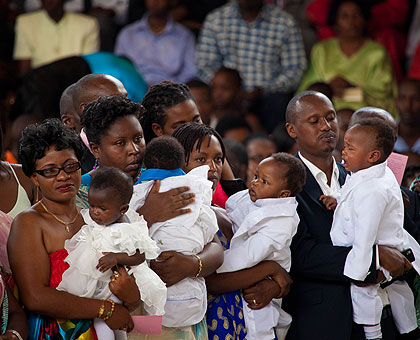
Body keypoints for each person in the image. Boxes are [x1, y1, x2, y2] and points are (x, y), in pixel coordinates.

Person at [283, 91, 411, 340]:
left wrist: (397, 256)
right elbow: (301, 253)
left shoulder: (365, 173)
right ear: (292, 130)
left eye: (331, 118)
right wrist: (375, 257)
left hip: (381, 317)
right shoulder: (284, 182)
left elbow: (395, 232)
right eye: (314, 121)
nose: (326, 126)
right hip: (323, 320)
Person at [7, 119, 140, 339]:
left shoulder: (95, 215)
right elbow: (35, 297)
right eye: (50, 171)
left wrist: (132, 297)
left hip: (107, 328)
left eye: (70, 166)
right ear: (34, 178)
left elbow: (121, 280)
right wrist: (105, 309)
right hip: (56, 333)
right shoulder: (29, 223)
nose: (63, 176)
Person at [172, 122, 293, 340]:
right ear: (179, 163)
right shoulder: (180, 216)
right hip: (213, 325)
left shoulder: (224, 211)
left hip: (245, 321)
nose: (213, 167)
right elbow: (209, 281)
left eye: (218, 159)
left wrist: (272, 284)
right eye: (201, 159)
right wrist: (271, 268)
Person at [320, 118, 420, 339]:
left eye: (350, 148)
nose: (343, 152)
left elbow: (366, 232)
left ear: (372, 156)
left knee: (365, 295)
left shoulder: (374, 189)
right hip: (385, 249)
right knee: (397, 294)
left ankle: (373, 334)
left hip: (372, 254)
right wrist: (337, 199)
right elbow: (352, 193)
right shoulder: (373, 173)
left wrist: (360, 270)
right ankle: (409, 330)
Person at [58, 167, 166, 340]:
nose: (94, 212)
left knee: (113, 320)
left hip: (117, 285)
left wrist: (116, 258)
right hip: (99, 282)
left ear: (122, 209)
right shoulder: (97, 221)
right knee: (105, 320)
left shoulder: (126, 229)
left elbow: (140, 256)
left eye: (102, 208)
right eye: (92, 205)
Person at [130, 136, 218, 332]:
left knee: (149, 325)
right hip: (191, 300)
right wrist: (197, 240)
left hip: (149, 303)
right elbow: (210, 225)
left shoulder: (136, 192)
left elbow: (124, 227)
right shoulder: (194, 188)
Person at [216, 153, 305, 340]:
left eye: (264, 181)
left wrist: (216, 266)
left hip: (261, 280)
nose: (255, 183)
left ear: (283, 195)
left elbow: (248, 255)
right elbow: (235, 210)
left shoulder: (280, 223)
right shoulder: (258, 199)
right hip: (247, 276)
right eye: (256, 176)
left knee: (259, 324)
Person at [196, 0, 307, 130]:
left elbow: (295, 69)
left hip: (267, 97)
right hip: (226, 97)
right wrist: (226, 89)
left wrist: (264, 90)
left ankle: (273, 145)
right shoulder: (216, 20)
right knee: (208, 99)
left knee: (279, 102)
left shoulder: (284, 22)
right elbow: (205, 66)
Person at [297, 0, 397, 116]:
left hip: (363, 114)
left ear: (364, 19)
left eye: (356, 15)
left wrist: (351, 89)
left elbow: (382, 94)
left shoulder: (377, 52)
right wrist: (328, 88)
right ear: (335, 21)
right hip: (325, 113)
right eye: (345, 16)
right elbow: (309, 87)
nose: (351, 21)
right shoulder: (322, 49)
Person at [115, 0, 196, 85]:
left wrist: (169, 89)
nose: (155, 2)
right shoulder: (128, 33)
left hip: (171, 91)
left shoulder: (184, 36)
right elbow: (120, 67)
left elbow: (189, 72)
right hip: (134, 90)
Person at [13, 0, 99, 75]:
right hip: (39, 85)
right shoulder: (25, 22)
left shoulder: (87, 24)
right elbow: (24, 68)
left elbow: (88, 65)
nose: (47, 1)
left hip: (74, 85)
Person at [394, 79, 420, 165]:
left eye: (415, 99)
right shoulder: (382, 137)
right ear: (396, 102)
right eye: (402, 98)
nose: (407, 105)